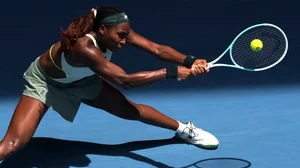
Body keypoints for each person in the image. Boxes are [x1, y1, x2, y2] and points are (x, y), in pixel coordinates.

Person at [0, 6, 219, 160]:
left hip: (81, 79)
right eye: (120, 36)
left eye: (126, 35)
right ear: (102, 29)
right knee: (13, 144)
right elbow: (125, 80)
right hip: (46, 83)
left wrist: (189, 61)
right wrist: (171, 72)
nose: (124, 41)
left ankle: (184, 131)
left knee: (129, 110)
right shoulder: (84, 47)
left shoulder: (118, 28)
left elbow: (157, 49)